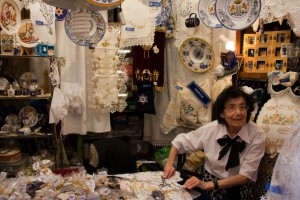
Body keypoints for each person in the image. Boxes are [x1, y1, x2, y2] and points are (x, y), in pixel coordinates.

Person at [163, 86, 266, 200]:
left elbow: (245, 176)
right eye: (231, 107)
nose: (238, 112)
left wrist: (208, 185)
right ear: (222, 113)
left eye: (242, 107)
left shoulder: (257, 134)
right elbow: (179, 141)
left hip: (240, 189)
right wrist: (169, 164)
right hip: (211, 186)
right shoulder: (211, 129)